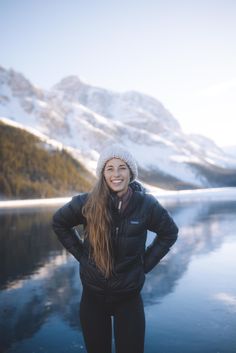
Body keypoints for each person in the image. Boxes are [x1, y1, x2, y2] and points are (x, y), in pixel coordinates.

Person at [52, 145, 178, 353]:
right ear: (103, 173)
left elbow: (169, 233)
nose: (116, 174)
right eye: (109, 168)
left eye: (122, 168)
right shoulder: (87, 202)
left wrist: (143, 265)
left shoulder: (146, 204)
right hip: (92, 297)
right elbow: (59, 222)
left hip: (129, 299)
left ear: (131, 173)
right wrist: (82, 256)